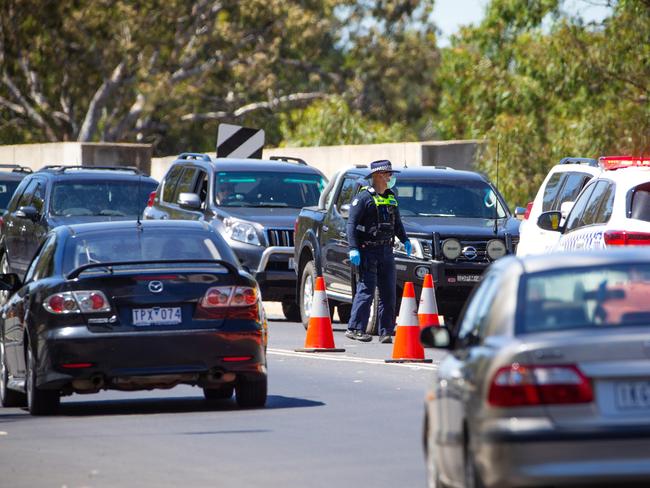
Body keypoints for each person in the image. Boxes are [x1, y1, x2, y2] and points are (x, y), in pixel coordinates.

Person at [345, 160, 411, 343]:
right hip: (368, 251)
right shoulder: (363, 198)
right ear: (378, 175)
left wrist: (405, 239)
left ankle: (386, 331)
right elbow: (350, 225)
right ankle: (355, 328)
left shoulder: (391, 196)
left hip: (387, 251)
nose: (391, 177)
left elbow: (397, 223)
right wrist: (353, 249)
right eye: (388, 174)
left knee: (389, 292)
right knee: (366, 290)